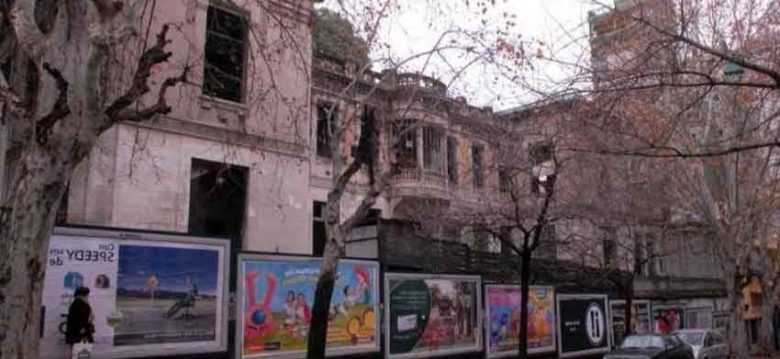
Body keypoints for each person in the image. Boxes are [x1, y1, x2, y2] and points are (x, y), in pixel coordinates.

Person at [65, 287, 94, 357]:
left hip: (74, 333)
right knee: (80, 353)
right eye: (86, 295)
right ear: (81, 296)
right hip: (80, 333)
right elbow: (85, 320)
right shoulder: (83, 305)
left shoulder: (75, 304)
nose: (87, 297)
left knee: (74, 352)